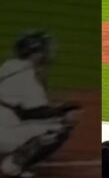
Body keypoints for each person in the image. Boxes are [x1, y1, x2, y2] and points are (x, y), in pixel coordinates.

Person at [0, 31, 81, 178]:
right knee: (60, 126)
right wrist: (62, 110)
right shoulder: (28, 78)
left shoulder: (9, 65)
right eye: (43, 50)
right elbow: (35, 112)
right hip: (3, 135)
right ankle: (13, 165)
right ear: (34, 54)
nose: (46, 53)